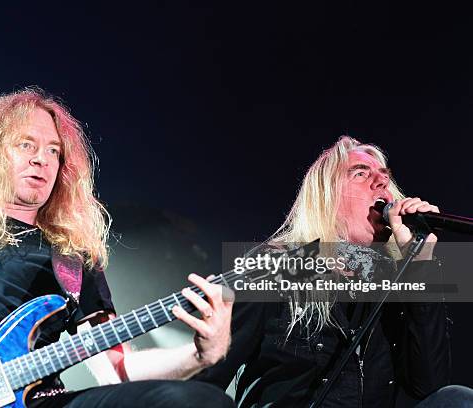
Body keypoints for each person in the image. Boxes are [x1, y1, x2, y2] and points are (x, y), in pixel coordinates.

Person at [0, 1, 234, 407]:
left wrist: (201, 354)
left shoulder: (69, 259)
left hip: (33, 401)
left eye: (54, 151)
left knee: (195, 401)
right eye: (26, 145)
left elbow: (117, 369)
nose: (42, 159)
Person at [193, 137, 473, 407]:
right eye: (361, 173)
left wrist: (419, 263)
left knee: (455, 399)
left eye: (384, 178)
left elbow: (428, 384)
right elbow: (208, 375)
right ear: (326, 196)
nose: (382, 182)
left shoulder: (394, 280)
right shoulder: (283, 265)